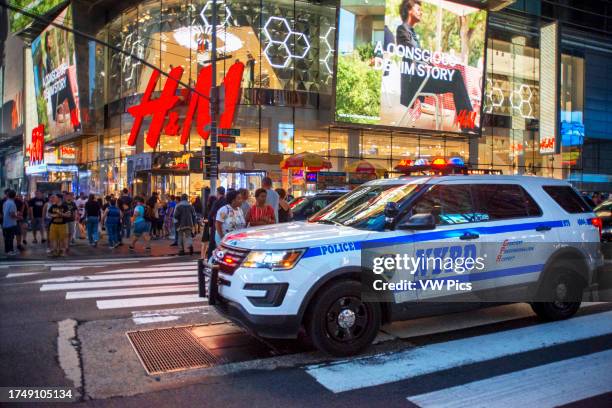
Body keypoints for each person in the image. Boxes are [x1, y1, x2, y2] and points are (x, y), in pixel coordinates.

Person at [396, 0, 473, 127]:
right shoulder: (402, 29)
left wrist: (433, 63)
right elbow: (412, 52)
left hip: (422, 77)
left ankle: (466, 123)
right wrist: (430, 61)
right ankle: (466, 123)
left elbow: (419, 54)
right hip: (416, 80)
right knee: (456, 75)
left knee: (456, 76)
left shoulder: (411, 32)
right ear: (409, 10)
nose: (421, 12)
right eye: (418, 9)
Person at [206, 186, 226, 258]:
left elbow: (211, 213)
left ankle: (210, 259)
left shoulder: (217, 202)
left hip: (217, 224)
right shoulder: (227, 201)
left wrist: (209, 221)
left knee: (213, 242)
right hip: (225, 225)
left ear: (218, 193)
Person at [2, 190, 20, 256]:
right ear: (14, 196)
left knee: (7, 238)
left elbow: (5, 212)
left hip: (5, 223)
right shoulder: (12, 203)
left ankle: (9, 250)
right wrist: (18, 217)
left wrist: (15, 214)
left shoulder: (5, 202)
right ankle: (9, 251)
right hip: (11, 224)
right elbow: (12, 214)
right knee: (10, 238)